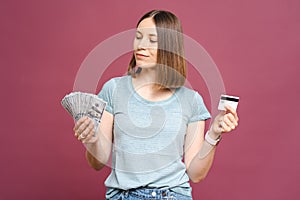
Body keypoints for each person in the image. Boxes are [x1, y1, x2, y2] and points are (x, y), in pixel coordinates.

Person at [73, 10, 239, 200]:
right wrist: (91, 140)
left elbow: (196, 174)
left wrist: (214, 134)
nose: (141, 46)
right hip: (122, 196)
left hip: (171, 195)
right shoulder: (113, 89)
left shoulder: (191, 100)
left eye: (152, 40)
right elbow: (97, 162)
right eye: (138, 37)